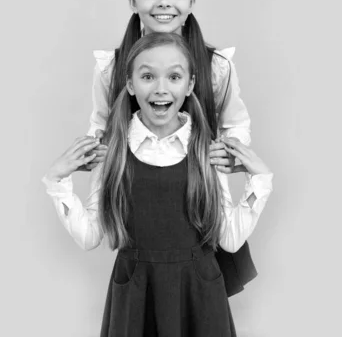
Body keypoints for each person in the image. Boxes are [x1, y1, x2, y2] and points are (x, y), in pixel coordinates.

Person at [43, 33, 273, 336]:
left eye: (174, 76)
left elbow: (229, 239)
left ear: (190, 85)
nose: (161, 88)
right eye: (148, 76)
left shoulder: (206, 149)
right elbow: (89, 237)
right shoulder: (112, 151)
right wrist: (57, 181)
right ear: (129, 84)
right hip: (136, 294)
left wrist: (260, 181)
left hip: (199, 295)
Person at [84, 0, 261, 296]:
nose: (164, 3)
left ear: (192, 0)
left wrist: (230, 155)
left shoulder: (215, 66)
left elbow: (235, 124)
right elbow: (100, 125)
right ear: (132, 0)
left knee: (196, 300)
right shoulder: (112, 67)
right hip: (143, 201)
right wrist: (96, 156)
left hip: (197, 201)